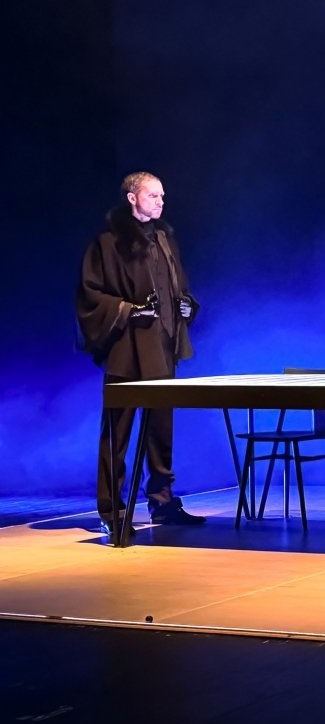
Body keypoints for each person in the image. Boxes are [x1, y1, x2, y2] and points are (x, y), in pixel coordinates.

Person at [76, 172, 206, 536]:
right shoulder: (108, 243)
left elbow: (178, 287)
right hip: (127, 351)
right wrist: (128, 311)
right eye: (153, 196)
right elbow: (90, 294)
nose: (161, 202)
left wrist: (186, 306)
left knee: (161, 432)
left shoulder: (163, 238)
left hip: (162, 349)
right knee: (117, 434)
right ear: (132, 198)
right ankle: (113, 510)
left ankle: (162, 501)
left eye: (162, 196)